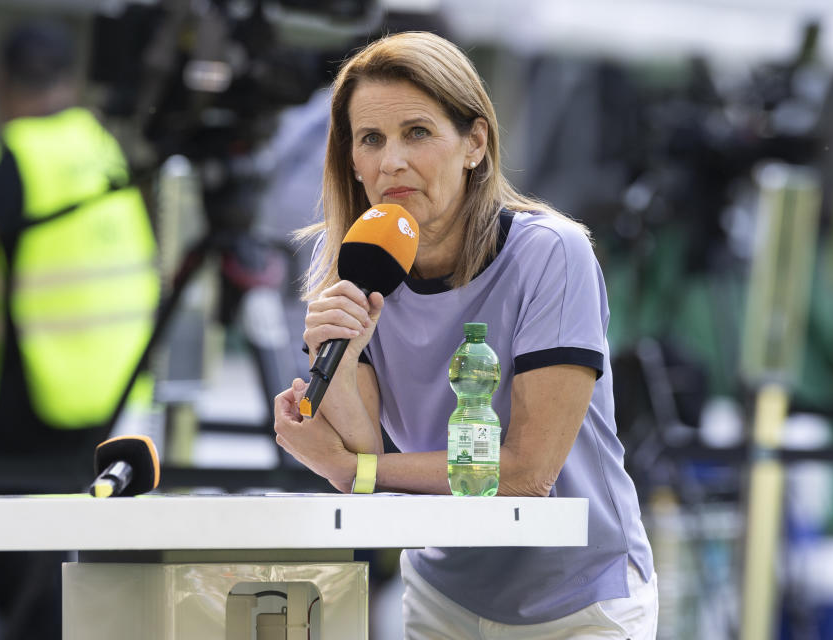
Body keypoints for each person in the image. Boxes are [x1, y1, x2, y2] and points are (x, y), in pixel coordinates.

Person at [273, 31, 658, 638]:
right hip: (443, 596)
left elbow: (526, 474)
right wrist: (339, 362)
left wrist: (357, 473)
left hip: (580, 600)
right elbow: (362, 441)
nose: (390, 161)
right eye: (370, 139)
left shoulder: (551, 253)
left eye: (417, 132)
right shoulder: (350, 255)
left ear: (475, 142)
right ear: (351, 158)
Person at [0, 22, 159, 639]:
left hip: (32, 397)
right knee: (70, 557)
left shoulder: (18, 154)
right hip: (104, 387)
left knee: (24, 574)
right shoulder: (97, 143)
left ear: (1, 83)